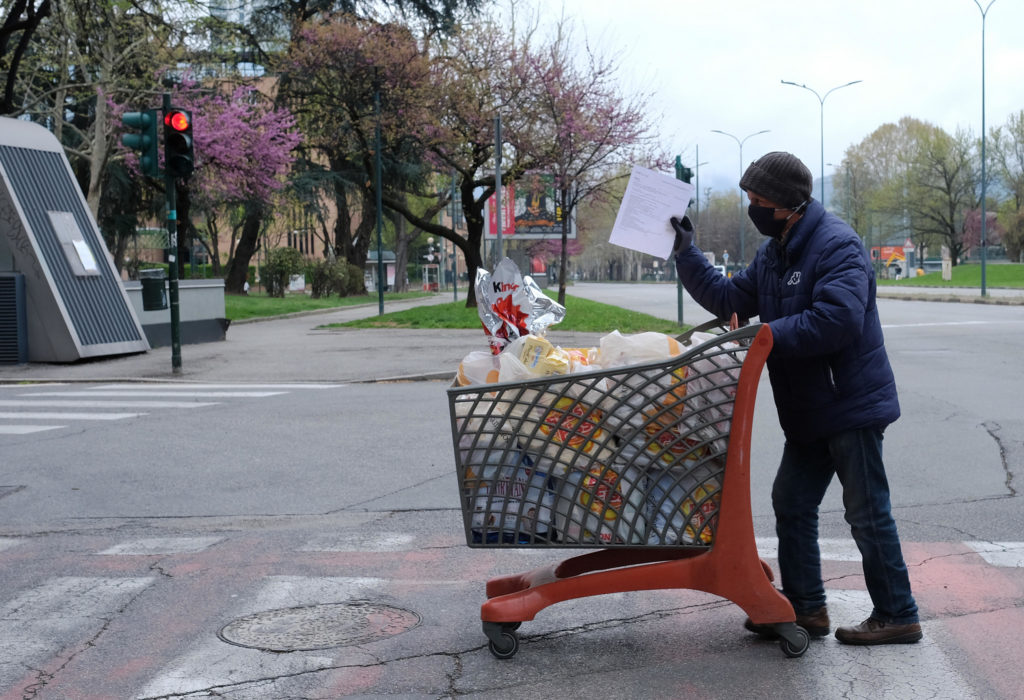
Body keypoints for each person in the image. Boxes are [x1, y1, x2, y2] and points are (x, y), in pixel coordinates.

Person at [670, 151, 922, 646]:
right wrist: (686, 251)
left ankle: (898, 613)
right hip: (808, 409)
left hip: (848, 404)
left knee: (867, 512)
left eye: (759, 200)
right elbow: (728, 299)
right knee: (791, 501)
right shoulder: (775, 251)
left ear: (789, 204)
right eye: (749, 198)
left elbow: (837, 320)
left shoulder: (837, 247)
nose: (752, 208)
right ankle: (806, 610)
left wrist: (764, 335)